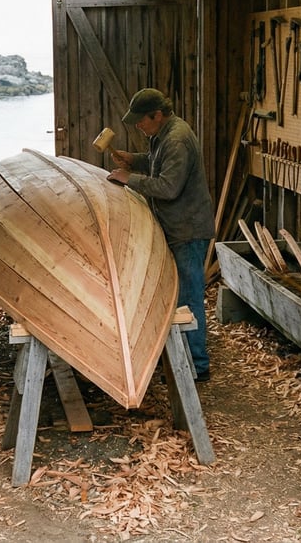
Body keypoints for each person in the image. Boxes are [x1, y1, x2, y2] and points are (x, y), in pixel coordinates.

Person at [107, 88, 215, 382]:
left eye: (141, 121)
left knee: (189, 298)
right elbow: (160, 161)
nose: (138, 126)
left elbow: (169, 187)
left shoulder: (177, 138)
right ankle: (181, 356)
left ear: (157, 114)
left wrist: (130, 179)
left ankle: (197, 366)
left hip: (187, 230)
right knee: (177, 294)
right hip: (175, 226)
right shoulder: (162, 135)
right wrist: (136, 160)